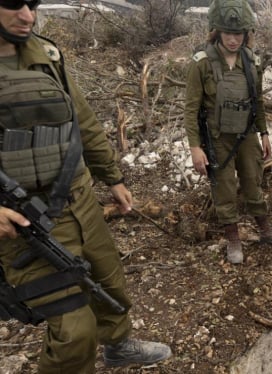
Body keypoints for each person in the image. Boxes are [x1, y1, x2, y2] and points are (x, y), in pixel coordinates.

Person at [0, 0, 172, 372]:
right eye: (12, 4)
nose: (27, 15)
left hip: (77, 199)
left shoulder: (45, 54)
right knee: (74, 331)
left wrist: (113, 176)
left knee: (109, 280)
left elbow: (83, 120)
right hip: (25, 224)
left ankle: (119, 345)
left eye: (32, 4)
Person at [184, 0, 272, 264]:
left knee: (253, 180)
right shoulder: (202, 63)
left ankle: (265, 229)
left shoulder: (251, 62)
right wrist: (195, 148)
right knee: (225, 188)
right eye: (228, 34)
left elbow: (258, 102)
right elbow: (191, 109)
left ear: (246, 34)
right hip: (218, 137)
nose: (233, 39)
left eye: (239, 34)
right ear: (217, 31)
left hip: (247, 134)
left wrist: (264, 133)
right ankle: (233, 238)